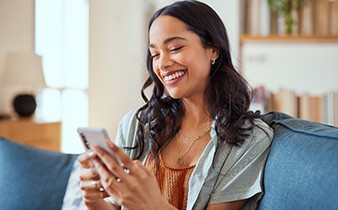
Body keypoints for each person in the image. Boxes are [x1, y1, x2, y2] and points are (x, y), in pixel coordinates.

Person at [78, 1, 274, 210]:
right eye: (155, 54)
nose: (162, 64)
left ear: (214, 50)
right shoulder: (137, 125)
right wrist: (93, 199)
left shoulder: (249, 140)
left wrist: (151, 204)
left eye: (175, 48)